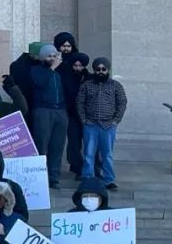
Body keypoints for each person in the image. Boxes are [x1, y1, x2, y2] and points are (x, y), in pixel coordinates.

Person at [77, 57, 127, 191]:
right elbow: (80, 103)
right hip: (91, 125)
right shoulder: (86, 85)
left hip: (108, 126)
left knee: (107, 155)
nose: (100, 72)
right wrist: (83, 119)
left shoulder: (116, 86)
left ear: (108, 70)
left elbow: (122, 103)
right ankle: (87, 179)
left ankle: (109, 180)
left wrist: (116, 120)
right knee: (88, 154)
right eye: (97, 69)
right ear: (93, 70)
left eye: (103, 69)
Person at [30, 44, 67, 189]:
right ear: (42, 57)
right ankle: (39, 176)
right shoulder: (36, 70)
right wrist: (52, 69)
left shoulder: (58, 73)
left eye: (54, 56)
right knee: (41, 144)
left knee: (57, 145)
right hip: (43, 111)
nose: (52, 59)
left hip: (60, 111)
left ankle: (54, 177)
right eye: (49, 56)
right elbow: (40, 84)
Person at [61, 53, 90, 178]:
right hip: (72, 114)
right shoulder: (67, 77)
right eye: (75, 65)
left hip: (88, 116)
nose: (77, 68)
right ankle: (77, 167)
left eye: (80, 66)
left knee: (89, 143)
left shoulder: (89, 78)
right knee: (74, 143)